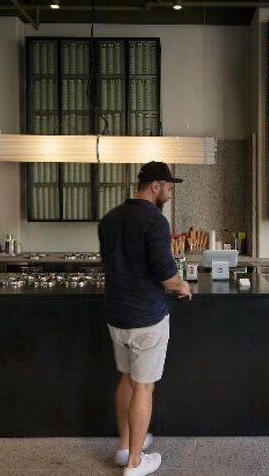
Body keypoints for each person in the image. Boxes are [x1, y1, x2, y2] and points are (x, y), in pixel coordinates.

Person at [98, 161, 192, 476]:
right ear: (155, 186)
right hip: (146, 319)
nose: (169, 192)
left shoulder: (110, 219)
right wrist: (183, 286)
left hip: (117, 316)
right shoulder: (155, 220)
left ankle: (124, 448)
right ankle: (136, 463)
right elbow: (166, 275)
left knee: (126, 377)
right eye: (168, 186)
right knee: (144, 387)